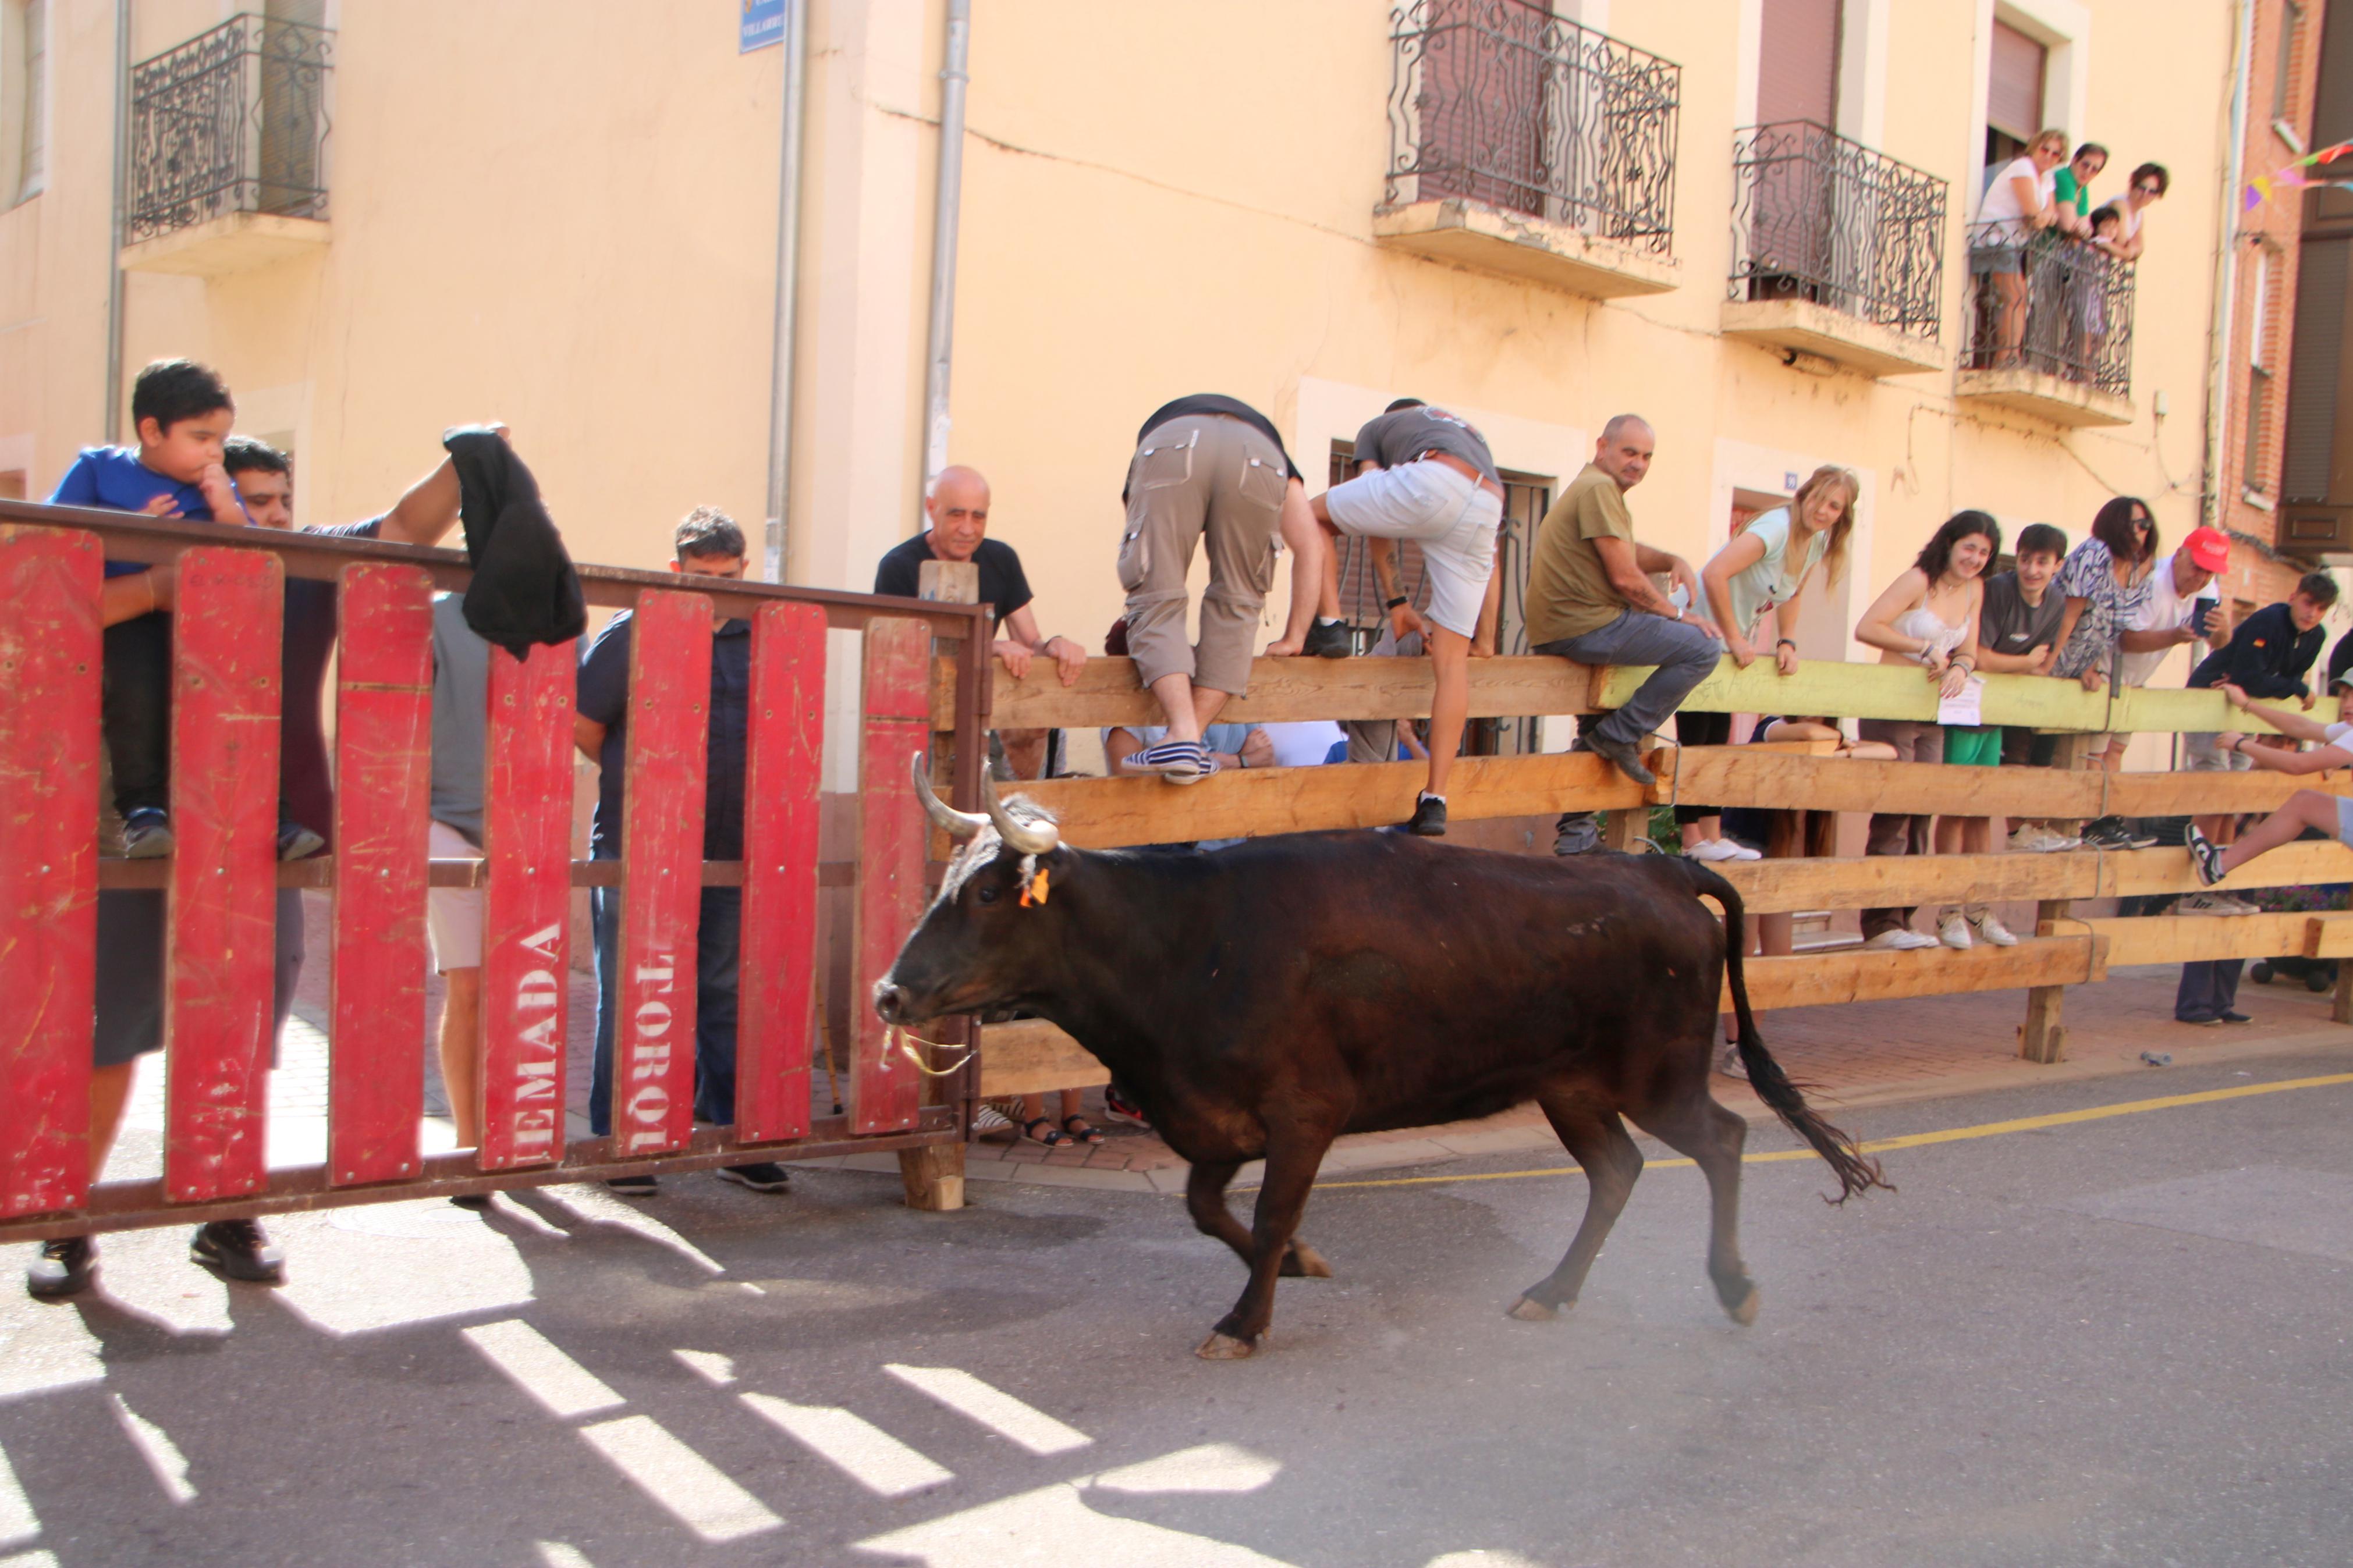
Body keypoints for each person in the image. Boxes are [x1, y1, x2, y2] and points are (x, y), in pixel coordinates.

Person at [28, 432, 490, 1300]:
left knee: (238, 1038)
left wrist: (465, 461)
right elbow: (47, 614)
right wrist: (154, 590)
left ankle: (225, 1210)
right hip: (141, 836)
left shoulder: (307, 569)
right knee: (108, 1038)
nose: (272, 518)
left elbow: (407, 528)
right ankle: (67, 1222)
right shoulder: (147, 568)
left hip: (262, 843)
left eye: (281, 501)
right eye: (253, 500)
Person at [576, 509, 793, 1199]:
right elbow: (584, 727)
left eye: (730, 579)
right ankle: (624, 1139)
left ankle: (728, 1132)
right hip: (640, 846)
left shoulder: (759, 638)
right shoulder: (632, 634)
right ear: (676, 572)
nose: (718, 592)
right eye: (704, 579)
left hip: (731, 848)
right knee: (635, 991)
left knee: (726, 989)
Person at [49, 359, 254, 859]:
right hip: (124, 624)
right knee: (135, 695)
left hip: (196, 627)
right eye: (200, 436)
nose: (213, 451)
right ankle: (141, 810)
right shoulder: (99, 468)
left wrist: (226, 504)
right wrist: (131, 526)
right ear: (151, 430)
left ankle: (272, 813)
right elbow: (54, 538)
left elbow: (251, 553)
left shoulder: (209, 490)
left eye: (220, 440)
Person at [1305, 397, 1506, 835]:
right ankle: (1434, 798)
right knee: (1452, 668)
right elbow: (1492, 559)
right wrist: (1486, 639)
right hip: (1488, 498)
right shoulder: (1466, 431)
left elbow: (1375, 519)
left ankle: (1331, 624)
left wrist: (1396, 602)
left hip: (1436, 479)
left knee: (1309, 518)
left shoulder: (1376, 428)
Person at [1525, 414, 1724, 856]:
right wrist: (1678, 614)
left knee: (1597, 720)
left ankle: (1576, 836)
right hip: (1585, 625)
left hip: (1567, 627)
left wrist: (1670, 557)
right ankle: (1622, 734)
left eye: (1647, 456)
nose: (1638, 464)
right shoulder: (1598, 488)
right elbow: (1625, 577)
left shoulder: (1594, 487)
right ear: (1602, 446)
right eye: (1629, 452)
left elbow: (1626, 552)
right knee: (1702, 648)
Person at [1116, 395, 1331, 784]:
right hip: (1261, 453)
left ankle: (1181, 733)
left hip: (1172, 437)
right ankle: (1190, 739)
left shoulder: (1168, 429)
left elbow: (1148, 574)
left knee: (1156, 594)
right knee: (1237, 604)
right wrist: (1296, 635)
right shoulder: (1277, 451)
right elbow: (1311, 547)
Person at [1681, 464, 1859, 862]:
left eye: (1834, 506)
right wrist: (1733, 637)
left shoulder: (1814, 542)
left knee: (1717, 737)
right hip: (1696, 635)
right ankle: (1691, 839)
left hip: (1724, 648)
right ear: (1804, 494)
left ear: (1841, 516)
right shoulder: (1775, 528)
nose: (1823, 510)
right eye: (1819, 498)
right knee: (1696, 739)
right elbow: (1713, 574)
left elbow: (1792, 593)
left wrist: (1786, 641)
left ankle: (1711, 835)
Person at [875, 465, 1086, 781]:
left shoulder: (1001, 559)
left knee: (996, 805)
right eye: (957, 515)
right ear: (931, 509)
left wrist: (1056, 646)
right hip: (915, 726)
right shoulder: (899, 566)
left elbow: (1030, 642)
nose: (968, 529)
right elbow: (896, 659)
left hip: (982, 719)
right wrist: (987, 647)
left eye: (978, 517)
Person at [1852, 510, 1999, 951]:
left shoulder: (1974, 589)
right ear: (1950, 543)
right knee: (1893, 815)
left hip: (1933, 711)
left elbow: (1969, 650)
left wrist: (1959, 665)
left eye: (1984, 552)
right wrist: (1922, 646)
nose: (1974, 558)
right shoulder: (1918, 580)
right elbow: (1866, 626)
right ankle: (1878, 923)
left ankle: (1905, 917)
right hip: (1891, 705)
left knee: (1922, 813)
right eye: (1969, 547)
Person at [2174, 573, 2337, 938]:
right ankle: (2192, 890)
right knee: (2216, 787)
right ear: (2294, 596)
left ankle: (2220, 883)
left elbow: (2265, 684)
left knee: (2236, 795)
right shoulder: (2267, 621)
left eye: (2321, 608)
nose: (2312, 613)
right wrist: (2294, 687)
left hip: (2242, 711)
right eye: (2309, 603)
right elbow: (2256, 678)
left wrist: (2274, 687)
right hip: (2210, 702)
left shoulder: (2316, 638)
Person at [423, 589, 495, 1186]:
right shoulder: (436, 616)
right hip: (444, 821)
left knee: (525, 986)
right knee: (467, 982)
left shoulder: (562, 619)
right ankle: (468, 1147)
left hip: (529, 825)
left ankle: (516, 1133)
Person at [2049, 496, 2162, 850]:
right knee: (2040, 754)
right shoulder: (2094, 553)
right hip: (2051, 655)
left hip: (2083, 663)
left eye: (2146, 525)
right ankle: (2038, 830)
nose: (2141, 532)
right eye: (2134, 524)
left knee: (2071, 752)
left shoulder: (2141, 569)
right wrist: (2047, 664)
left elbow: (2111, 628)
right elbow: (2069, 615)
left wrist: (2090, 665)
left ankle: (2083, 829)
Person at [2185, 682, 2353, 909]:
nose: (2348, 704)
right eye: (2345, 696)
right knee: (2305, 803)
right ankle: (2218, 865)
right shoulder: (2348, 730)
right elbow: (2300, 726)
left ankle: (2219, 864)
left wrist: (2242, 744)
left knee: (2304, 804)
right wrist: (2247, 704)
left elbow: (2298, 764)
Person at [1975, 523, 2075, 851]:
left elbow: (2043, 661)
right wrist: (2025, 663)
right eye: (2025, 559)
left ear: (2058, 565)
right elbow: (1981, 658)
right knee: (1968, 799)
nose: (2032, 570)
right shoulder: (1998, 590)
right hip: (1974, 697)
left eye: (2043, 562)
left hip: (2016, 696)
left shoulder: (2056, 602)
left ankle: (2021, 833)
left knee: (2030, 759)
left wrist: (2029, 666)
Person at [1971, 128, 2068, 367]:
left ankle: (2012, 357)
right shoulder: (2022, 167)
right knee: (2015, 297)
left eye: (2056, 154)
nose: (2049, 156)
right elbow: (2032, 213)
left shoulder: (2047, 179)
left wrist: (2043, 216)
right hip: (1994, 239)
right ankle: (2005, 358)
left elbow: (2052, 214)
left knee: (2020, 298)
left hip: (2013, 243)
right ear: (2034, 147)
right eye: (2045, 149)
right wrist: (2042, 216)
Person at [2108, 162, 2169, 262]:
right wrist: (2128, 251)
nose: (2145, 195)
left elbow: (2139, 250)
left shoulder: (2139, 215)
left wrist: (2128, 251)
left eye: (2152, 192)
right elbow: (2121, 243)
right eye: (2142, 188)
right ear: (2133, 184)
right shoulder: (2120, 205)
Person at [2052, 143, 2109, 236]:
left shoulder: (2083, 187)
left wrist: (2083, 228)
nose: (2088, 172)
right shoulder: (2065, 177)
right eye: (2085, 165)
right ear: (2074, 160)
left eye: (2094, 169)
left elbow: (2087, 230)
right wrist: (2082, 228)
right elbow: (2068, 226)